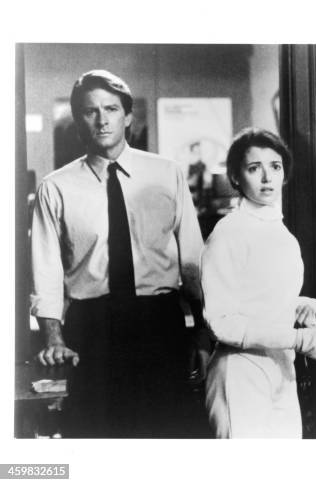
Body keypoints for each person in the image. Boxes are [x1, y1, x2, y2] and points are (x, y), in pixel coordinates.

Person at [30, 70, 210, 438]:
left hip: (159, 323)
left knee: (165, 435)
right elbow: (46, 271)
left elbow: (193, 260)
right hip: (92, 328)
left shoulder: (167, 174)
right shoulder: (56, 188)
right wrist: (53, 337)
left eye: (111, 109)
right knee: (95, 437)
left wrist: (203, 335)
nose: (102, 119)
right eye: (90, 111)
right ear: (78, 119)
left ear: (128, 116)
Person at [202, 128, 316, 438]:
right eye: (253, 168)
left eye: (274, 166)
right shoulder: (228, 232)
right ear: (235, 177)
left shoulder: (281, 233)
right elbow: (223, 323)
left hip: (281, 369)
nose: (266, 177)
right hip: (241, 372)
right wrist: (304, 340)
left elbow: (266, 302)